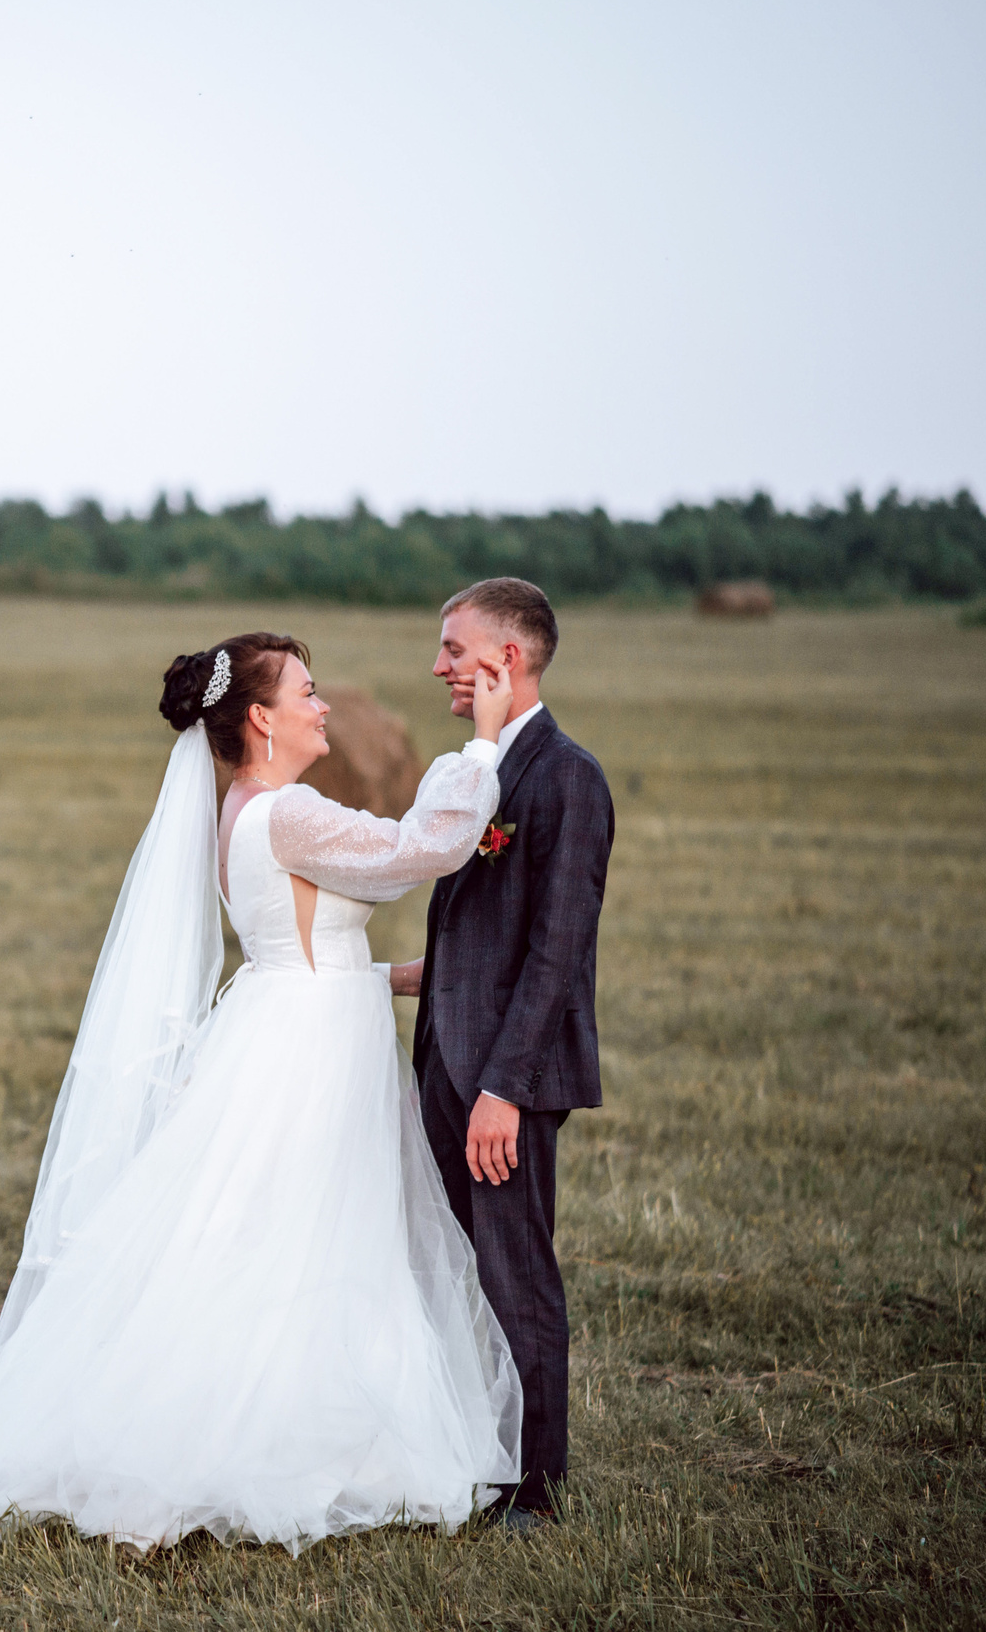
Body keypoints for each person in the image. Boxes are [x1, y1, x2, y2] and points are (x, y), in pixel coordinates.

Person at [0, 632, 526, 1552]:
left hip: (294, 1025)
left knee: (291, 1232)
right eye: (308, 692)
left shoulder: (245, 810)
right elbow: (420, 848)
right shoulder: (288, 811)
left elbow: (296, 941)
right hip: (303, 1053)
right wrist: (482, 745)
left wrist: (391, 974)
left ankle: (309, 1420)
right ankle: (241, 1440)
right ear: (261, 717)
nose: (325, 706)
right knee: (290, 1237)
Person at [388, 578, 613, 1532]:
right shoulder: (477, 768)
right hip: (445, 1062)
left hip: (502, 1083)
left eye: (453, 648)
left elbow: (555, 953)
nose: (439, 664)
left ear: (504, 660)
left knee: (515, 1273)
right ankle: (468, 1458)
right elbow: (474, 934)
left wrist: (504, 1091)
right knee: (448, 1268)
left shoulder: (568, 778)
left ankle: (534, 1490)